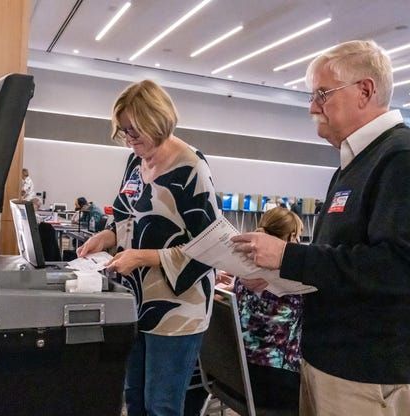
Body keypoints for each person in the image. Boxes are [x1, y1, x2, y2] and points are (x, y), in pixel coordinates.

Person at [231, 40, 410, 415]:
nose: (313, 107)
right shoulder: (352, 164)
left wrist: (289, 256)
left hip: (364, 373)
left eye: (322, 94)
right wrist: (279, 275)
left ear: (364, 91)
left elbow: (396, 266)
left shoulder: (399, 158)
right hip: (325, 361)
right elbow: (340, 258)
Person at [77, 80, 219, 416]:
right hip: (136, 300)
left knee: (161, 405)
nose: (129, 138)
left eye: (134, 130)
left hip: (177, 307)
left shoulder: (191, 168)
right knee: (134, 397)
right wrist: (106, 238)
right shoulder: (135, 161)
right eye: (123, 130)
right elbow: (126, 218)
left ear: (156, 120)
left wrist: (143, 257)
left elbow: (211, 245)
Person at [218, 207, 303, 412]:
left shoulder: (241, 275)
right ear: (292, 237)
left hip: (236, 376)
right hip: (277, 385)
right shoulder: (294, 283)